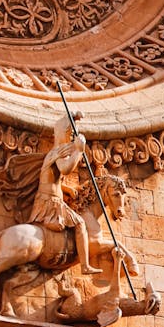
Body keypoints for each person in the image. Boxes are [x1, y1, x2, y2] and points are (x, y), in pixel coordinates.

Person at [28, 114, 101, 275]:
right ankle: (85, 265)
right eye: (71, 133)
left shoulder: (57, 151)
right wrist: (79, 152)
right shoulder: (58, 152)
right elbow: (65, 169)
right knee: (80, 224)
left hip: (50, 197)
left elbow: (53, 178)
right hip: (50, 202)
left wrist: (66, 189)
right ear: (65, 133)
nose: (73, 137)